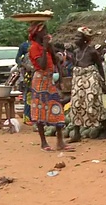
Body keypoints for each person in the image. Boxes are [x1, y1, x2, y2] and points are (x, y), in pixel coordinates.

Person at [28, 22, 74, 152]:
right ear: (37, 33)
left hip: (49, 80)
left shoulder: (45, 46)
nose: (46, 33)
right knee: (40, 110)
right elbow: (41, 65)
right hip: (40, 80)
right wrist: (44, 48)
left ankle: (60, 142)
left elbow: (55, 61)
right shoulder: (34, 48)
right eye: (44, 31)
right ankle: (43, 142)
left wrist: (50, 47)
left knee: (57, 108)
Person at [69, 27, 106, 142]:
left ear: (84, 39)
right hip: (78, 79)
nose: (75, 38)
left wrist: (103, 82)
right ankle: (76, 133)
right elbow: (75, 65)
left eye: (78, 37)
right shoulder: (76, 52)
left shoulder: (92, 51)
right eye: (76, 36)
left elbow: (100, 67)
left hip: (91, 79)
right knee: (76, 104)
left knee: (93, 104)